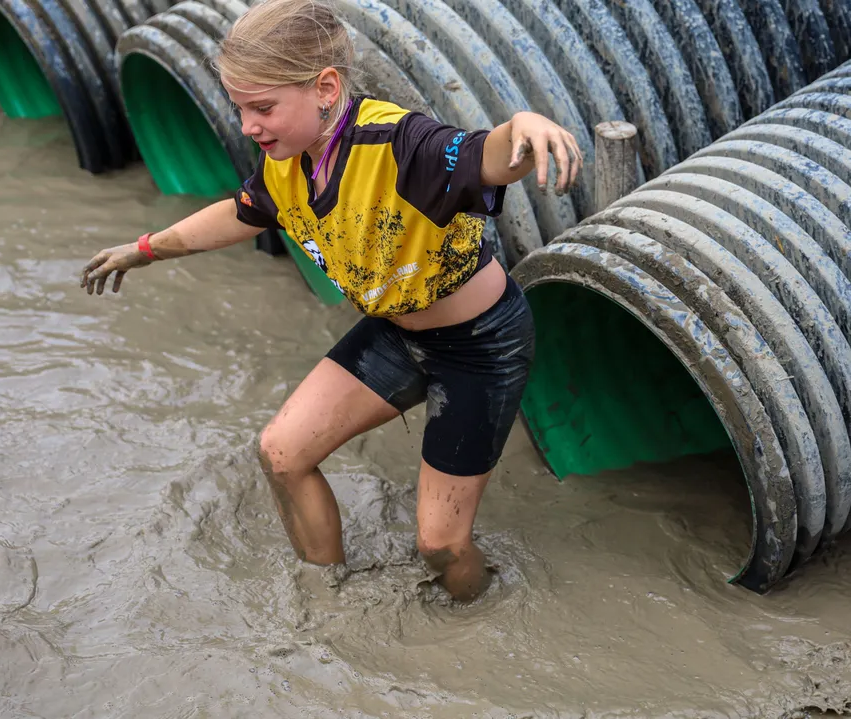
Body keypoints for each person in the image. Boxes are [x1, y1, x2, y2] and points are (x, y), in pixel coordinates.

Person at [81, 0, 581, 602]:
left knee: (440, 546)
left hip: (480, 346)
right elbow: (240, 214)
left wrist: (524, 124)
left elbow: (482, 155)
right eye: (239, 108)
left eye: (262, 108)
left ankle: (475, 619)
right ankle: (327, 597)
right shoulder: (285, 164)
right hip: (396, 333)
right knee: (282, 453)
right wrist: (144, 249)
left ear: (325, 87)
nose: (247, 127)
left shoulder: (401, 146)